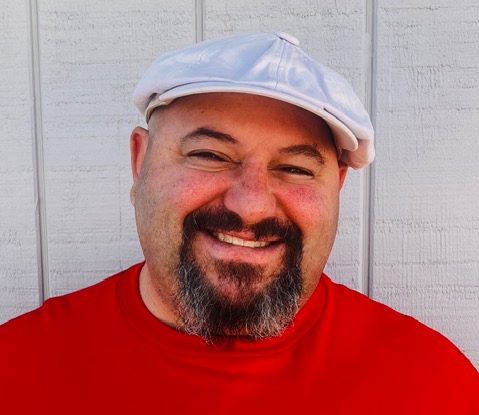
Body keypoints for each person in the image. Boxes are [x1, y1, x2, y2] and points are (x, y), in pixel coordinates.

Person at [0, 32, 477, 414]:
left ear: (336, 187)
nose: (251, 205)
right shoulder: (18, 373)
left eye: (295, 168)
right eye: (210, 155)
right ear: (140, 162)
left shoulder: (433, 388)